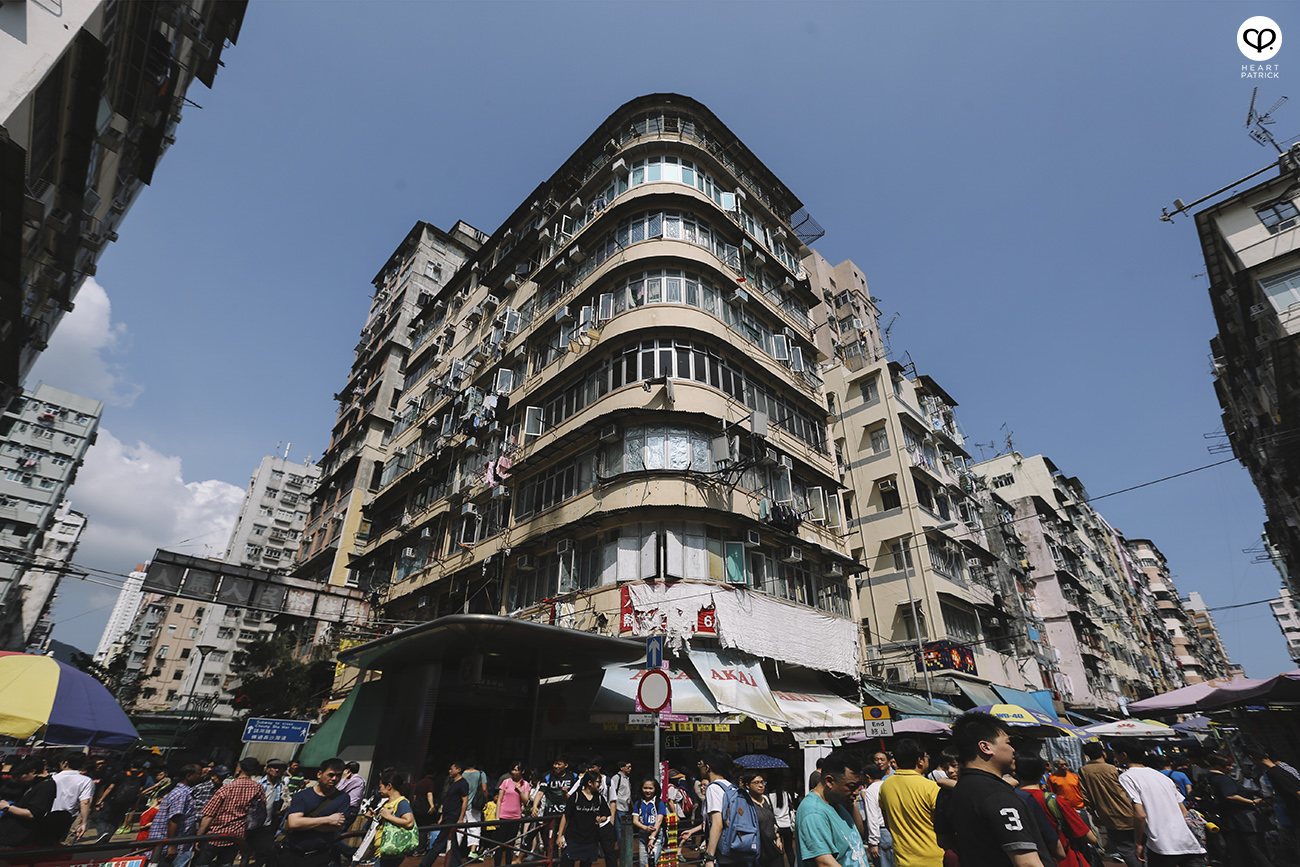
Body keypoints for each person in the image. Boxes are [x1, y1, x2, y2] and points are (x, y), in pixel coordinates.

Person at [933, 711, 1050, 867]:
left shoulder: (962, 789)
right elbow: (1027, 863)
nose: (1013, 750)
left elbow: (944, 841)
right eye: (1008, 743)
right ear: (985, 747)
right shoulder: (998, 795)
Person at [1118, 749, 1206, 867]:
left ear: (1124, 755)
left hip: (1162, 845)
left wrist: (1138, 844)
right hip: (1189, 843)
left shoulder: (1127, 777)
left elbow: (1140, 815)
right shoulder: (1161, 776)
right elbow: (1185, 813)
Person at [1017, 751, 1098, 867]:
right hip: (1065, 860)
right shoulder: (1054, 801)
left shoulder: (1010, 797)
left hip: (1029, 858)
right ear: (1042, 773)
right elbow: (1089, 837)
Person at [795, 748, 866, 867]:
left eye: (858, 787)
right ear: (829, 781)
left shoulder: (836, 803)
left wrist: (852, 801)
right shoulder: (813, 812)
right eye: (852, 786)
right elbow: (824, 862)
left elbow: (858, 835)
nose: (856, 792)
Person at [878, 739, 942, 867]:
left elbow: (887, 822)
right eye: (926, 756)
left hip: (903, 860)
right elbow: (945, 825)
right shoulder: (931, 787)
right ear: (920, 760)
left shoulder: (885, 786)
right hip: (935, 859)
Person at [195, 757, 266, 867]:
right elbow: (260, 811)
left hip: (215, 835)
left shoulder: (226, 788)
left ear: (239, 769)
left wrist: (198, 837)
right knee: (226, 864)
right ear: (253, 770)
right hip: (237, 836)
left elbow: (208, 816)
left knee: (202, 864)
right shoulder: (258, 788)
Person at [1077, 742, 1139, 867]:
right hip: (1130, 812)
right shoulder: (1114, 769)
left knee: (1126, 850)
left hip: (1107, 816)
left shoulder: (1083, 771)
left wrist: (1093, 815)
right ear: (1103, 753)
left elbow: (1086, 796)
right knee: (1140, 846)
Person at [281, 757, 351, 867]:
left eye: (338, 775)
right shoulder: (302, 796)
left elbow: (336, 826)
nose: (334, 778)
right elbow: (294, 823)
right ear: (319, 774)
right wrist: (327, 820)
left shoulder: (343, 798)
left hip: (320, 854)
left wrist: (304, 823)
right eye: (331, 775)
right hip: (293, 853)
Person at [1206, 753, 1273, 867]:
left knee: (1243, 848)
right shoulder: (1222, 779)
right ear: (1218, 766)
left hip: (1231, 818)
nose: (1231, 768)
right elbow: (1230, 795)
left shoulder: (1210, 777)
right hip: (1243, 817)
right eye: (1227, 766)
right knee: (1256, 847)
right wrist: (1253, 802)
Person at [149, 764, 203, 867]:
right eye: (198, 774)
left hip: (176, 844)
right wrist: (172, 845)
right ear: (188, 776)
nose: (201, 777)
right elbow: (173, 820)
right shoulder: (181, 794)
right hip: (172, 847)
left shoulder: (183, 793)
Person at [556, 771, 613, 867]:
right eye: (598, 782)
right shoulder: (576, 796)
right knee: (566, 863)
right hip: (573, 838)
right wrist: (559, 836)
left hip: (591, 839)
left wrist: (601, 819)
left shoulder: (599, 798)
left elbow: (605, 815)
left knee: (586, 864)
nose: (600, 784)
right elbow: (565, 816)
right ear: (589, 783)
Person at [420, 761, 469, 867]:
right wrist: (442, 816)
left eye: (452, 769)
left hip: (453, 816)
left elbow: (465, 800)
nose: (449, 771)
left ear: (458, 770)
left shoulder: (463, 783)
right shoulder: (453, 783)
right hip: (447, 815)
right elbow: (447, 801)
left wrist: (461, 818)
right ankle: (456, 864)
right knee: (453, 843)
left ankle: (424, 864)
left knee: (439, 842)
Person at [0, 757, 57, 848]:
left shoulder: (46, 787)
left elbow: (32, 813)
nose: (18, 780)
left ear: (32, 771)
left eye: (19, 776)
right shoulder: (34, 784)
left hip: (13, 838)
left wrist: (7, 807)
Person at [697, 749, 737, 867]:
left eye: (700, 764)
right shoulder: (731, 786)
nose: (699, 767)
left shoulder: (713, 788)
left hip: (723, 852)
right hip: (737, 846)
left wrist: (709, 857)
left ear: (707, 767)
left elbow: (717, 824)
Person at [249, 759, 290, 867]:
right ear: (267, 769)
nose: (277, 770)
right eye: (274, 767)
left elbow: (287, 801)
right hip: (252, 824)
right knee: (247, 850)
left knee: (263, 852)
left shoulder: (281, 786)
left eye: (280, 768)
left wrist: (281, 811)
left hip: (268, 824)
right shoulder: (258, 784)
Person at [372, 771, 417, 867]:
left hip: (391, 849)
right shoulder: (386, 802)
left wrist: (389, 816)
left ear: (389, 786)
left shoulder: (402, 802)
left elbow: (409, 822)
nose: (379, 791)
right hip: (383, 850)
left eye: (380, 787)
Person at [50, 752, 96, 842]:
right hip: (68, 816)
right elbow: (85, 802)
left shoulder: (53, 777)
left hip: (48, 814)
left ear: (65, 763)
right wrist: (84, 822)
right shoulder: (86, 781)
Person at [741, 772, 783, 867]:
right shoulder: (747, 804)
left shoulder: (766, 799)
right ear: (747, 785)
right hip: (758, 848)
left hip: (772, 846)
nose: (761, 785)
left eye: (762, 782)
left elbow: (773, 822)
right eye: (756, 783)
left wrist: (778, 838)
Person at [494, 763, 531, 866]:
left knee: (511, 845)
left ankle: (508, 864)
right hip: (503, 816)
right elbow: (499, 800)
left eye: (516, 770)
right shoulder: (506, 782)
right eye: (513, 770)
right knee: (499, 845)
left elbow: (525, 801)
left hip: (515, 817)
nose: (514, 772)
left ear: (522, 771)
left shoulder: (526, 784)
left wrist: (520, 790)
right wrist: (497, 817)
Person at [859, 763, 893, 867]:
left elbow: (872, 816)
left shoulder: (870, 790)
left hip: (881, 833)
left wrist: (873, 842)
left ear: (867, 776)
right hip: (894, 831)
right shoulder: (889, 785)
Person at [632, 778, 668, 867]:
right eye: (645, 788)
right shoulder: (638, 803)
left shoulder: (659, 803)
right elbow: (635, 821)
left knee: (651, 863)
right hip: (642, 836)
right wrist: (645, 828)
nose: (647, 791)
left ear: (655, 789)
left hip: (657, 836)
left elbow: (659, 821)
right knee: (642, 863)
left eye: (650, 788)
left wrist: (652, 837)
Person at [1048, 759, 1090, 825]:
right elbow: (1052, 793)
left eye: (1066, 764)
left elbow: (1081, 791)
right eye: (1061, 765)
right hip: (1065, 808)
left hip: (1080, 807)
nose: (1064, 766)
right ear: (1056, 766)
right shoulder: (1052, 778)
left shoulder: (1075, 776)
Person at [768, 773, 795, 867]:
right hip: (787, 825)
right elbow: (791, 807)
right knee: (789, 849)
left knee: (779, 850)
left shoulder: (769, 796)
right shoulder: (786, 794)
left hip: (777, 827)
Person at [609, 761, 633, 846]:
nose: (630, 769)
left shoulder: (627, 778)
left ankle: (624, 848)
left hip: (626, 807)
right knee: (620, 830)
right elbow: (612, 792)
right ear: (621, 768)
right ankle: (622, 849)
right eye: (628, 767)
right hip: (619, 807)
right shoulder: (616, 778)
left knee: (625, 830)